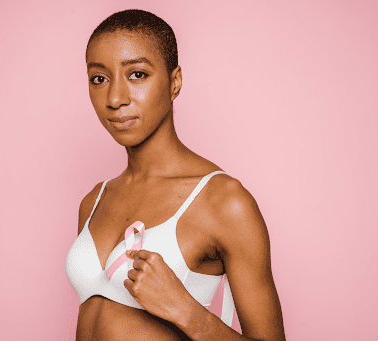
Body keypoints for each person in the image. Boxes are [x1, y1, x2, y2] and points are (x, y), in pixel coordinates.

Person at [66, 9, 286, 341]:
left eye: (137, 74)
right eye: (100, 78)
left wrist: (184, 309)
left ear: (175, 82)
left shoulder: (224, 201)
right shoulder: (94, 201)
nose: (115, 99)